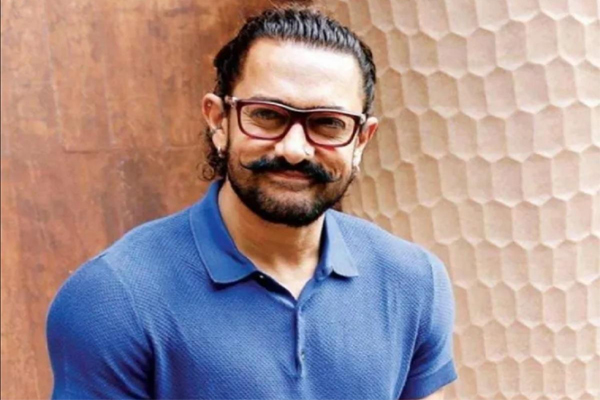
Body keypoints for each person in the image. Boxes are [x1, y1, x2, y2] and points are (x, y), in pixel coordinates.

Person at [46, 5, 457, 399]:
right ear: (218, 122)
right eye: (267, 115)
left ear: (361, 140)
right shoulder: (113, 298)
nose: (294, 149)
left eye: (328, 124)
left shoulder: (414, 282)